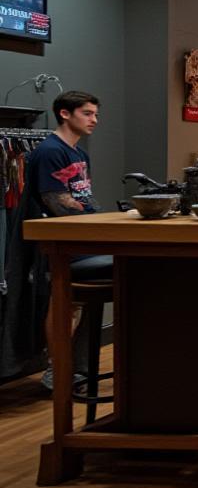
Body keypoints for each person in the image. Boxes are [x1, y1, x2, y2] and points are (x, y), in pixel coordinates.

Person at [27, 90, 103, 390]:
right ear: (64, 113)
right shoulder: (50, 151)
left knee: (79, 305)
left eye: (95, 114)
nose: (94, 120)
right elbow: (55, 201)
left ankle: (76, 369)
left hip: (84, 237)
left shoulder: (80, 153)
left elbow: (84, 196)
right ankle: (56, 369)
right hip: (62, 240)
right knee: (66, 304)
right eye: (87, 113)